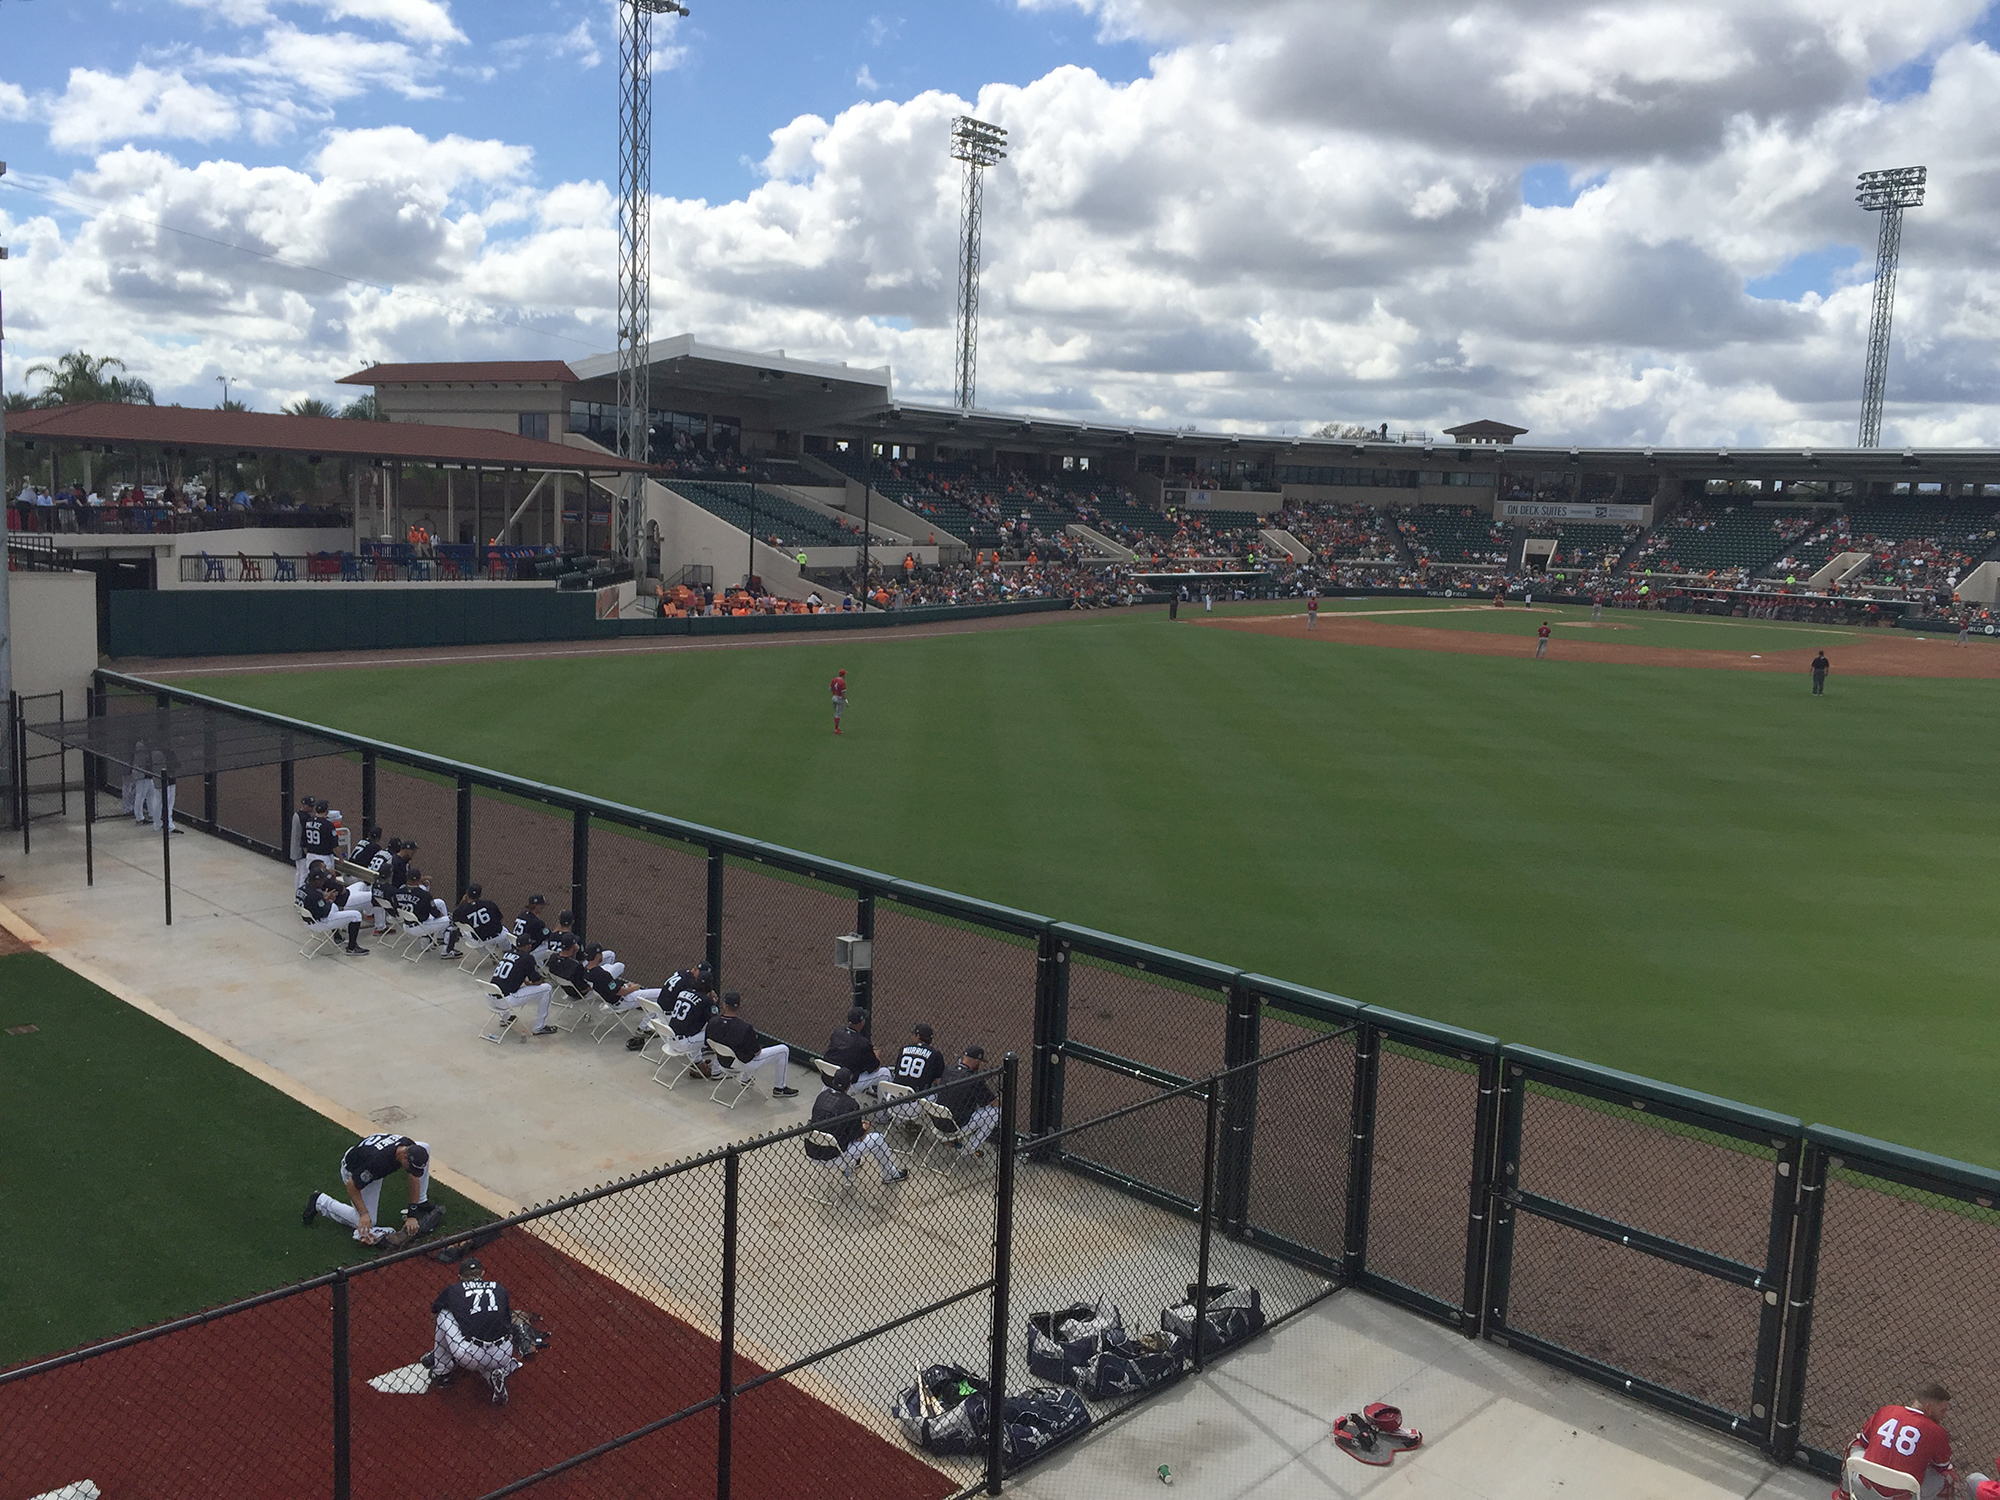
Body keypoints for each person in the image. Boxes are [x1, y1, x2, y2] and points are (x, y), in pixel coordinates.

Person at [423, 1258, 520, 1406]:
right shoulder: (499, 1288)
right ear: (482, 1273)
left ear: (460, 1277)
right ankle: (497, 1374)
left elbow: (434, 1310)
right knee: (492, 1345)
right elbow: (507, 1319)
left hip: (470, 1356)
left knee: (443, 1314)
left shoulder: (454, 1289)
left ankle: (442, 1373)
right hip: (503, 1353)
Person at [303, 1133, 431, 1244]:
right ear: (404, 1156)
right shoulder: (377, 1164)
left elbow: (414, 1175)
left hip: (368, 1155)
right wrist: (364, 1214)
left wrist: (412, 1212)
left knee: (425, 1147)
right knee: (366, 1221)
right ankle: (319, 1201)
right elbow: (352, 1186)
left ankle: (421, 1201)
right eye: (411, 1167)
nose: (414, 1172)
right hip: (354, 1169)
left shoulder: (409, 1146)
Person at [1842, 1384, 1959, 1499]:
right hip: (1903, 1497)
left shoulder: (1885, 1411)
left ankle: (1843, 1496)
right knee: (1948, 1475)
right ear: (1928, 1407)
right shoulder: (1937, 1432)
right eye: (1942, 1411)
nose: (1943, 1416)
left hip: (1864, 1489)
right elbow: (1941, 1467)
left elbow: (1863, 1442)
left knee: (1854, 1444)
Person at [805, 1067, 908, 1184]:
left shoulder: (822, 1096)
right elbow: (860, 1137)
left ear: (833, 1081)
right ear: (849, 1085)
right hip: (834, 1158)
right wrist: (865, 1126)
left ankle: (852, 1163)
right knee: (877, 1139)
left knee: (839, 1133)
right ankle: (890, 1174)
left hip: (812, 1152)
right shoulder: (850, 1105)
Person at [706, 991, 797, 1096]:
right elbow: (757, 1052)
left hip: (722, 1063)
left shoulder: (713, 1022)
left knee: (736, 1050)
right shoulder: (745, 1027)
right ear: (739, 1006)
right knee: (783, 1050)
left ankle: (746, 1079)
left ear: (724, 1005)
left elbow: (708, 1043)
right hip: (739, 1066)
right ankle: (780, 1088)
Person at [938, 1045, 1001, 1155]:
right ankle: (969, 1148)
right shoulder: (974, 1079)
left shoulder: (948, 1069)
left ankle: (953, 1141)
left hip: (937, 1122)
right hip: (956, 1127)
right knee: (996, 1112)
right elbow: (994, 1103)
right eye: (979, 1062)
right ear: (976, 1061)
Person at [490, 936, 557, 1037]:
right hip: (506, 1001)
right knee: (547, 989)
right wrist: (542, 979)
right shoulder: (528, 958)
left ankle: (505, 1018)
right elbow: (537, 981)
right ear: (528, 946)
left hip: (490, 998)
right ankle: (539, 1027)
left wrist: (525, 980)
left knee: (504, 986)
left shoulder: (508, 953)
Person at [823, 1007, 892, 1096]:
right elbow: (875, 1068)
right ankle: (883, 1108)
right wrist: (876, 1055)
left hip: (828, 1079)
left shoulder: (837, 1032)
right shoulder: (862, 1044)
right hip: (848, 1085)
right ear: (861, 1023)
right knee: (885, 1073)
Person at [299, 871, 369, 954]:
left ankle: (337, 937)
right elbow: (324, 913)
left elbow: (313, 904)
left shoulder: (301, 889)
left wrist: (324, 899)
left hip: (307, 921)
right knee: (356, 915)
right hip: (320, 923)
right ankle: (352, 948)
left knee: (335, 907)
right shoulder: (315, 895)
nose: (322, 883)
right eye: (321, 881)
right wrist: (330, 900)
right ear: (316, 881)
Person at [889, 1022, 946, 1120]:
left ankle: (900, 1122)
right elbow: (939, 1082)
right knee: (937, 1092)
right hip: (915, 1108)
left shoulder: (903, 1049)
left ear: (918, 1036)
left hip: (893, 1104)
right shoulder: (935, 1054)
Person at [448, 882, 505, 960]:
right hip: (497, 936)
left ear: (467, 894)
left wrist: (462, 902)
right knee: (504, 931)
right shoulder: (490, 904)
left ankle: (488, 955)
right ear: (480, 895)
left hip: (479, 940)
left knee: (465, 930)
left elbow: (454, 918)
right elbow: (500, 918)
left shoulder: (462, 911)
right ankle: (508, 952)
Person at [830, 668, 848, 735]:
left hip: (834, 697)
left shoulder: (834, 679)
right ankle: (836, 729)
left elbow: (830, 689)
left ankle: (837, 728)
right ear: (843, 675)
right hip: (839, 699)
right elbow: (843, 693)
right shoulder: (843, 682)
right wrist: (846, 700)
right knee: (838, 714)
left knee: (836, 713)